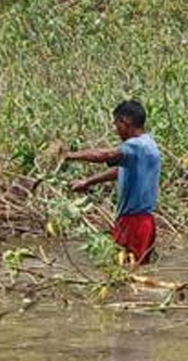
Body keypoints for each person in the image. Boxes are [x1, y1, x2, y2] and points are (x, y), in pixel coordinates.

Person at [65, 100, 161, 266]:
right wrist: (88, 182)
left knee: (126, 270)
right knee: (132, 268)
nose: (116, 129)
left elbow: (106, 155)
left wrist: (70, 155)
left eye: (116, 124)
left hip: (134, 222)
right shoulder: (148, 144)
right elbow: (120, 170)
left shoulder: (136, 145)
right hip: (141, 222)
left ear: (126, 122)